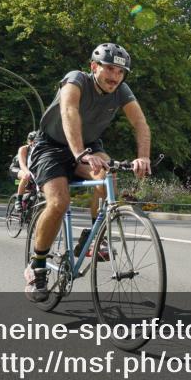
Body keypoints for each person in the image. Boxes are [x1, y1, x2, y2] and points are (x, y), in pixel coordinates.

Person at [25, 43, 152, 300]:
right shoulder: (76, 79)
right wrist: (79, 153)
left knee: (108, 175)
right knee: (59, 203)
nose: (115, 77)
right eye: (110, 69)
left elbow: (140, 122)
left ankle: (96, 238)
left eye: (120, 72)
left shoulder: (121, 91)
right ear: (94, 67)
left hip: (90, 148)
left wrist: (143, 157)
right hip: (51, 147)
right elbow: (68, 111)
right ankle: (37, 265)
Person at [10, 131, 38, 212]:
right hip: (17, 168)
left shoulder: (40, 150)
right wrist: (28, 173)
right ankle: (18, 200)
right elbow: (22, 164)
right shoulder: (23, 149)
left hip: (30, 170)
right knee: (26, 176)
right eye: (35, 142)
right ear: (29, 141)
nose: (37, 144)